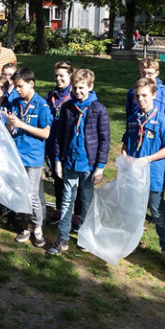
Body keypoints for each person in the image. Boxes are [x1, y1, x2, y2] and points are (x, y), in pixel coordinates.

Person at [48, 68, 110, 255]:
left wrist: (100, 167)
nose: (78, 91)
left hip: (89, 164)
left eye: (82, 87)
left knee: (86, 199)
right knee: (67, 199)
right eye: (75, 87)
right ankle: (63, 237)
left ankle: (85, 235)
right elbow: (59, 136)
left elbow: (104, 140)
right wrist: (58, 161)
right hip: (70, 162)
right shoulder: (67, 108)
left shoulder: (98, 109)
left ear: (91, 87)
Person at [122, 77, 165, 273]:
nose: (140, 99)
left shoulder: (162, 121)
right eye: (137, 96)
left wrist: (148, 159)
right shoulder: (132, 120)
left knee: (157, 213)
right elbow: (125, 144)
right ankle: (132, 243)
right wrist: (125, 157)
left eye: (144, 95)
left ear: (154, 95)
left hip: (152, 176)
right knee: (133, 210)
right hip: (134, 175)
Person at [6, 67, 52, 249]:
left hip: (33, 156)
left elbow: (45, 133)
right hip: (18, 155)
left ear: (31, 84)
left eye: (20, 86)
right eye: (16, 87)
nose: (17, 90)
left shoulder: (42, 105)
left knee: (32, 195)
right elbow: (11, 128)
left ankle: (38, 228)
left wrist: (22, 125)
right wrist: (10, 124)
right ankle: (28, 226)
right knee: (25, 192)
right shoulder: (16, 102)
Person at [45, 61, 73, 225]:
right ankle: (59, 208)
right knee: (57, 177)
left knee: (72, 179)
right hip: (53, 141)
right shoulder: (51, 95)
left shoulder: (75, 94)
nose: (58, 79)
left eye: (62, 75)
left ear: (70, 75)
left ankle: (77, 213)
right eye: (56, 75)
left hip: (69, 143)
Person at [126, 57, 165, 122]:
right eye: (143, 73)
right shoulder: (133, 91)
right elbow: (129, 112)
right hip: (137, 127)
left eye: (150, 73)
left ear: (157, 73)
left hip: (157, 128)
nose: (146, 76)